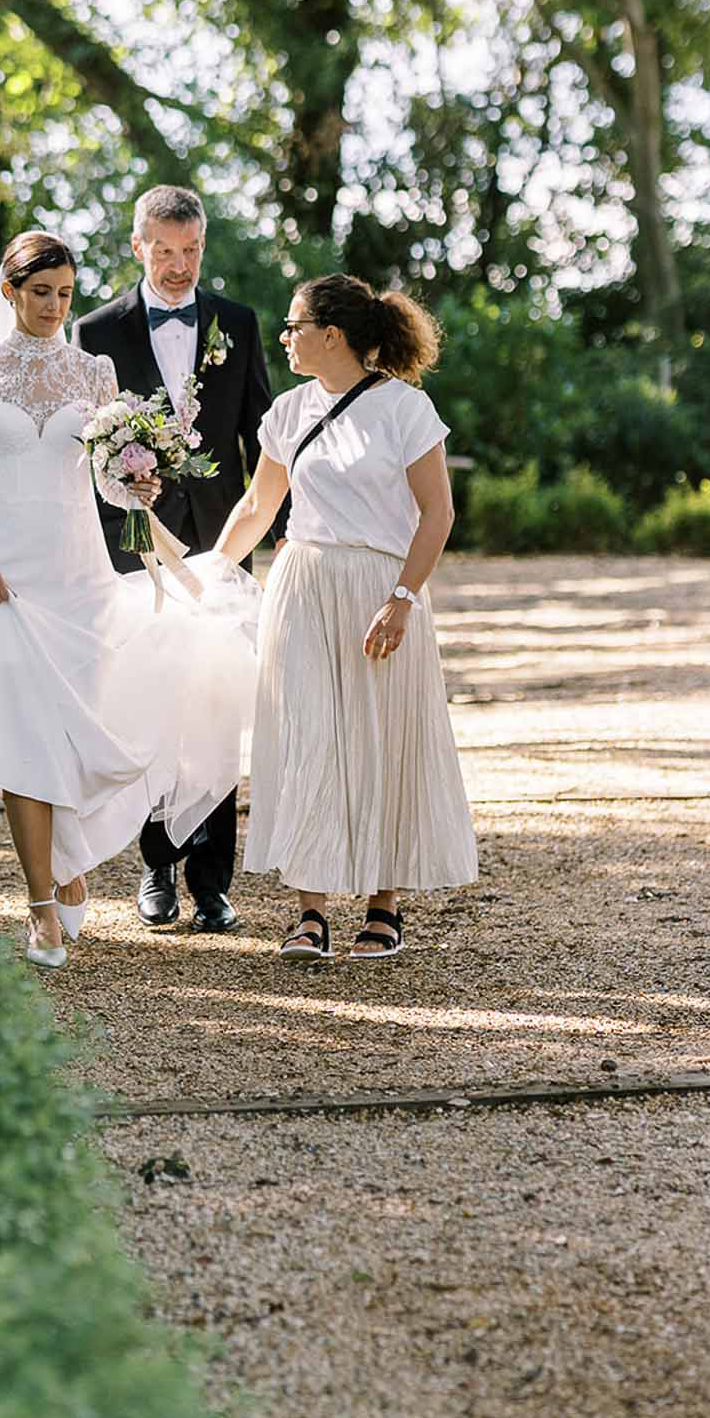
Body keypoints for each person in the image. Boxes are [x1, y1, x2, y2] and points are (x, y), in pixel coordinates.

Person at [0, 230, 256, 969]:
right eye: (40, 293)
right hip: (5, 573)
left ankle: (71, 857)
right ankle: (40, 905)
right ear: (10, 292)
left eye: (65, 295)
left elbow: (105, 478)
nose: (53, 307)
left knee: (79, 734)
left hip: (80, 578)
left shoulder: (94, 371)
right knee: (18, 739)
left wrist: (138, 486)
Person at [215, 271, 476, 961]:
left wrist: (403, 598)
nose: (285, 338)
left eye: (294, 326)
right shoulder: (290, 410)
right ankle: (310, 910)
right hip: (301, 582)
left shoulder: (404, 409)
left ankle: (384, 906)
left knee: (380, 735)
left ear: (331, 335)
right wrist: (210, 577)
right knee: (306, 736)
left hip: (378, 588)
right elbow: (257, 509)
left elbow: (438, 513)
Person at [73, 185, 283, 935]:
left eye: (191, 251)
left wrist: (278, 528)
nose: (179, 266)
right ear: (138, 246)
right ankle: (156, 866)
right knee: (150, 704)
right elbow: (83, 446)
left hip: (226, 538)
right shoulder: (95, 331)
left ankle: (213, 881)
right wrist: (120, 496)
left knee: (218, 704)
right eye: (165, 251)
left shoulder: (240, 322)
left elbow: (264, 436)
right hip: (135, 546)